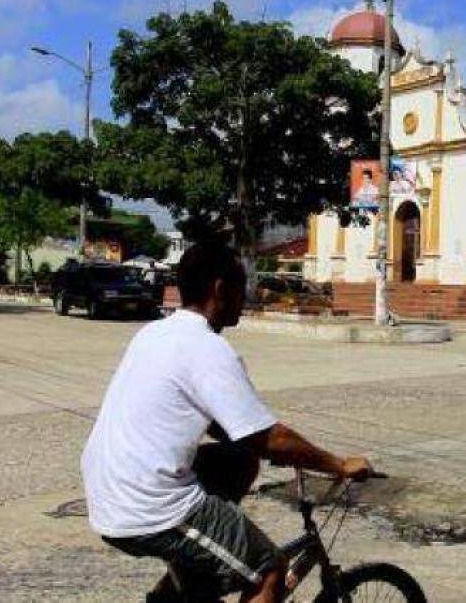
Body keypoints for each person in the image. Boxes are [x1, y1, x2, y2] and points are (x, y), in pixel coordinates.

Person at [82, 241, 372, 603]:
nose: (245, 297)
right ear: (221, 289)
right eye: (241, 288)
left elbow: (229, 429)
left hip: (109, 488)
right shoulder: (207, 349)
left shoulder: (155, 333)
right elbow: (268, 436)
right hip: (148, 503)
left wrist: (266, 448)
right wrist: (338, 464)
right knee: (269, 568)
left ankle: (179, 592)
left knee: (239, 461)